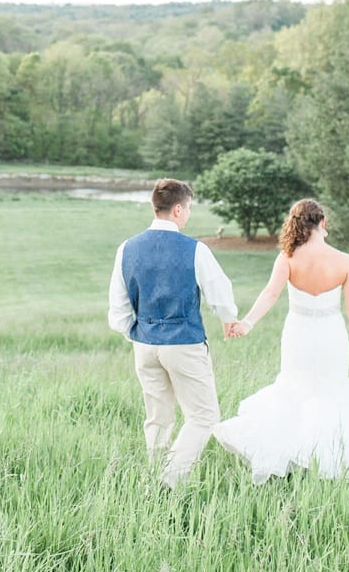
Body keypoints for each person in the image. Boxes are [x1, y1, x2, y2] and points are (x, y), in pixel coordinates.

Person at [213, 198, 349, 483]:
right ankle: (329, 458)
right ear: (323, 223)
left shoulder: (288, 257)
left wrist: (248, 322)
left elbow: (270, 294)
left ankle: (294, 457)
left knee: (294, 389)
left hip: (298, 333)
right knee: (330, 391)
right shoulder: (344, 260)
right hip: (331, 334)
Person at [108, 178, 241, 487]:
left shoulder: (127, 248)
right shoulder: (194, 249)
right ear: (178, 209)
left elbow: (118, 307)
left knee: (158, 417)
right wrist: (228, 317)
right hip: (184, 343)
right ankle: (169, 481)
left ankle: (156, 476)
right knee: (204, 416)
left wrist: (137, 332)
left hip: (144, 345)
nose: (189, 214)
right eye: (189, 208)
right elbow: (219, 294)